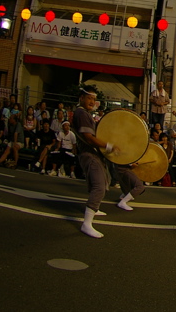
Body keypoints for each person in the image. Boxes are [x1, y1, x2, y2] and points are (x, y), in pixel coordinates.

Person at [72, 85, 120, 239]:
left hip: (92, 154)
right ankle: (87, 223)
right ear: (81, 98)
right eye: (89, 98)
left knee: (101, 183)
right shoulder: (81, 113)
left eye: (94, 98)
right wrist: (109, 146)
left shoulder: (85, 113)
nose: (92, 101)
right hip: (89, 154)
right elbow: (88, 138)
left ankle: (95, 207)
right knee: (99, 186)